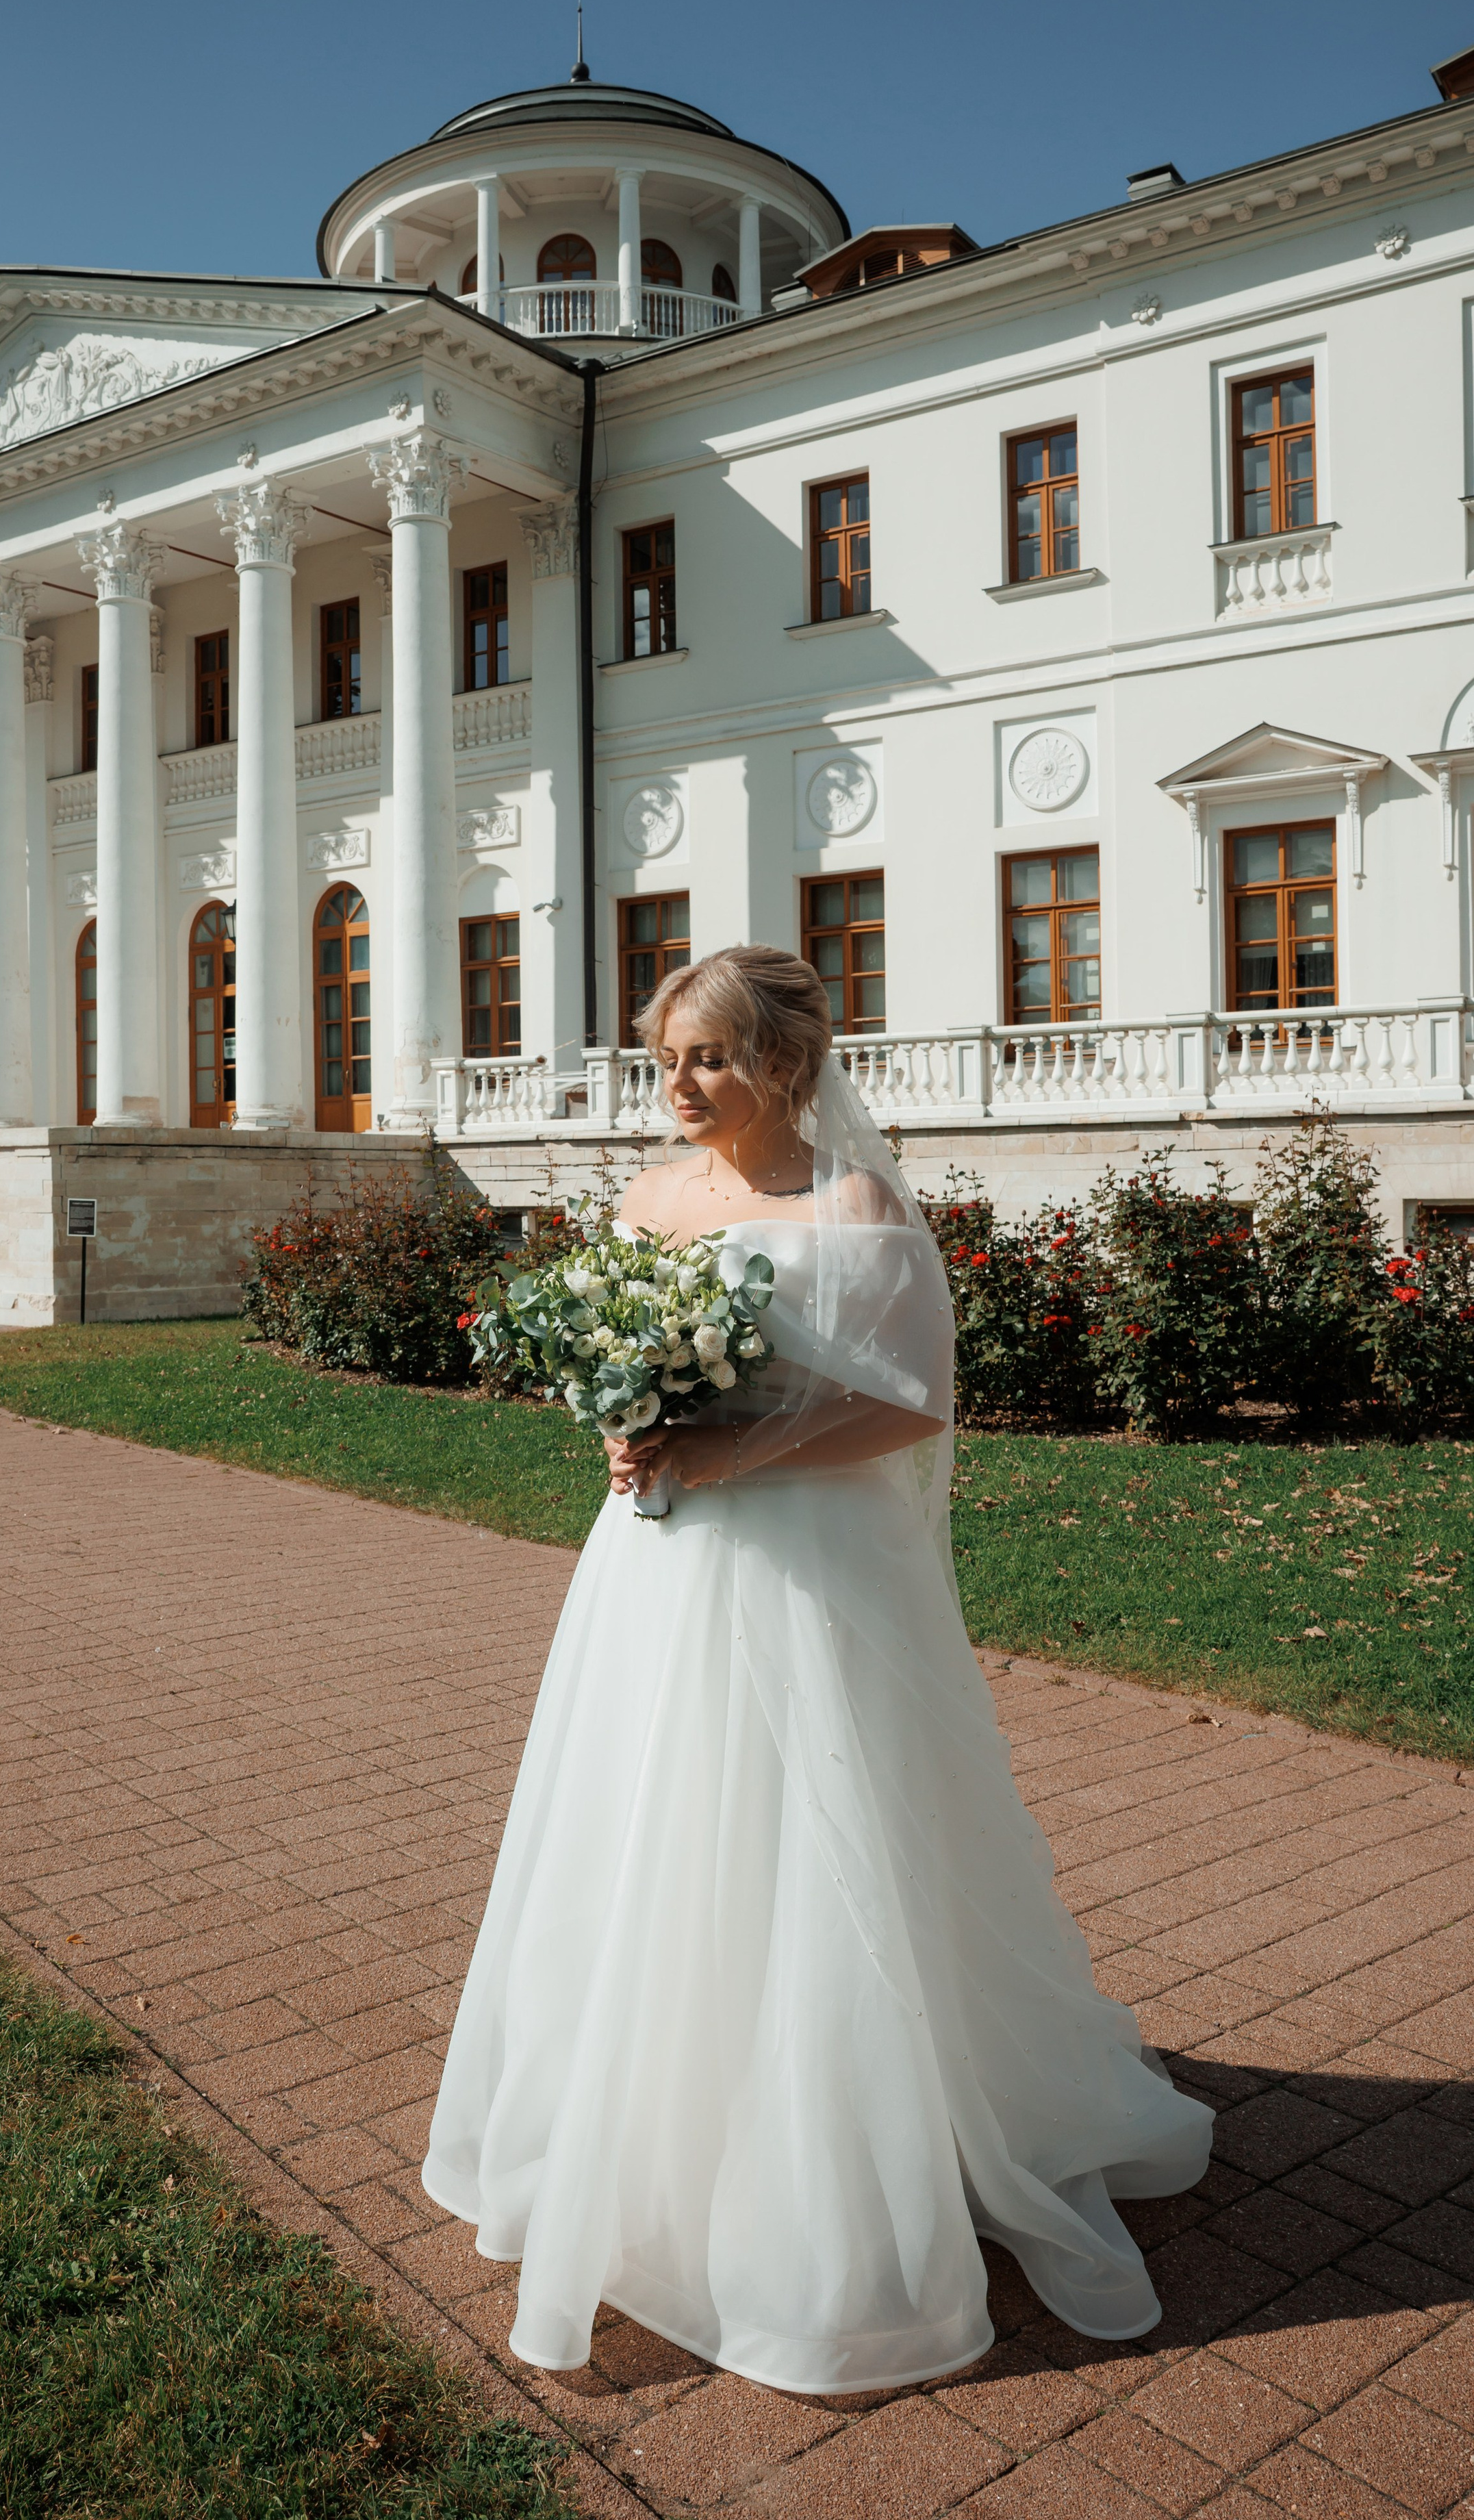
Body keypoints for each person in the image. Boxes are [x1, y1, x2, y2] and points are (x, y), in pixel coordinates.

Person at [422, 944, 1211, 2393]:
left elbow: (905, 1405)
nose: (675, 1085)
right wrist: (626, 1426)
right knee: (648, 1824)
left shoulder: (850, 1208)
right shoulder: (650, 1200)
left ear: (781, 1063)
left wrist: (732, 1448)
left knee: (817, 1835)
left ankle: (838, 2150)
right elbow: (621, 1353)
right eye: (664, 1057)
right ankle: (649, 2124)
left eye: (706, 1058)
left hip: (809, 1573)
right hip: (653, 1565)